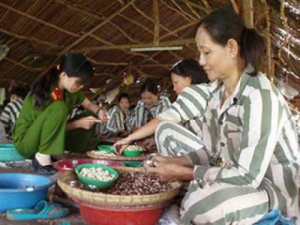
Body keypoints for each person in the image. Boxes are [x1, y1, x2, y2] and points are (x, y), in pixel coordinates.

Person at [142, 9, 300, 225]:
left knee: (202, 207)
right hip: (240, 181)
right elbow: (209, 151)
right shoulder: (216, 93)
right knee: (196, 195)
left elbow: (247, 176)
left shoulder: (259, 97)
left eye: (206, 52)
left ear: (232, 48)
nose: (201, 60)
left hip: (273, 191)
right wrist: (174, 161)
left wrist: (185, 173)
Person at [13, 53, 108, 174]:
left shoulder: (71, 90)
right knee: (59, 107)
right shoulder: (45, 90)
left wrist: (99, 112)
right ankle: (42, 157)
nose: (81, 87)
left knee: (90, 114)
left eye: (84, 84)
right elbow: (44, 130)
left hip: (46, 138)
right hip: (27, 143)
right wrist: (77, 124)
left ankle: (59, 151)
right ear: (63, 75)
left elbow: (89, 105)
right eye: (79, 83)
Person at [114, 59, 208, 155]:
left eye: (176, 82)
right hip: (206, 150)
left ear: (188, 79)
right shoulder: (205, 90)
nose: (174, 88)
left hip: (208, 154)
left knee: (164, 128)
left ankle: (168, 168)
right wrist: (155, 140)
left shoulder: (194, 93)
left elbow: (161, 120)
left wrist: (129, 138)